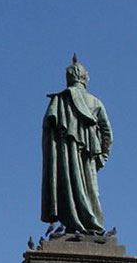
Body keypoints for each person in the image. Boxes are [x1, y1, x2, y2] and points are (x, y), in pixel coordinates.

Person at [41, 56, 112, 235]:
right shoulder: (95, 102)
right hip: (88, 154)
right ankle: (92, 222)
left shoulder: (60, 100)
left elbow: (48, 132)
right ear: (85, 78)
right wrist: (103, 156)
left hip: (66, 156)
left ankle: (74, 220)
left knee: (69, 186)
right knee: (90, 189)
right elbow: (107, 133)